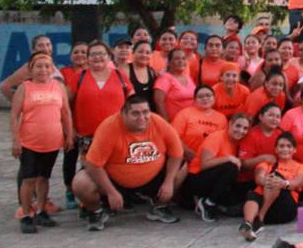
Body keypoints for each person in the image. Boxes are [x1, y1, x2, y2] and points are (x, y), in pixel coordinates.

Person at [71, 95, 184, 230]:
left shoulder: (159, 122)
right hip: (115, 180)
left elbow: (177, 153)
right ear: (123, 114)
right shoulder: (109, 127)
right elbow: (92, 164)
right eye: (135, 113)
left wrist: (169, 182)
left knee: (183, 167)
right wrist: (111, 191)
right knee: (81, 182)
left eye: (145, 112)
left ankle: (160, 206)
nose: (142, 117)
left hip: (152, 177)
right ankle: (96, 211)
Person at [65, 41, 132, 210]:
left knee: (114, 169)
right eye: (93, 54)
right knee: (91, 171)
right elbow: (65, 105)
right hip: (88, 137)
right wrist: (70, 129)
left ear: (109, 56)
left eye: (101, 53)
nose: (97, 57)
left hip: (117, 135)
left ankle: (112, 199)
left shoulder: (120, 76)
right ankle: (89, 203)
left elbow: (132, 102)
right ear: (87, 58)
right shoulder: (79, 77)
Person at [10, 53, 73, 232]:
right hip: (29, 142)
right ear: (31, 69)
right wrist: (16, 140)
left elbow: (66, 113)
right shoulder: (25, 87)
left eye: (47, 66)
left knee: (44, 177)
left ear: (52, 69)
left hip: (52, 142)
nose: (43, 70)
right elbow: (14, 115)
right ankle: (26, 215)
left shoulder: (58, 87)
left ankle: (41, 211)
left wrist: (69, 135)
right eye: (39, 66)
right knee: (29, 178)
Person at [239, 131, 303, 239]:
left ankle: (260, 217)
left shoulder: (301, 167)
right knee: (253, 193)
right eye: (281, 146)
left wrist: (283, 183)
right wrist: (267, 181)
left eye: (289, 146)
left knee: (276, 178)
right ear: (276, 149)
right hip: (266, 207)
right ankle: (248, 223)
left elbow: (298, 182)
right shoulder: (266, 164)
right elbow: (259, 178)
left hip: (284, 209)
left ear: (294, 150)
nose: (285, 149)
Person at [185, 113, 248, 222]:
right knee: (231, 167)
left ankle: (212, 202)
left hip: (215, 179)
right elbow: (204, 164)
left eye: (245, 128)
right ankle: (208, 203)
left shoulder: (236, 142)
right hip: (197, 178)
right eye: (238, 126)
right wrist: (228, 158)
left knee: (239, 199)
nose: (241, 130)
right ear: (230, 124)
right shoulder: (216, 137)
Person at [171, 85, 228, 163]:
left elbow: (223, 142)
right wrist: (191, 154)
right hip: (187, 158)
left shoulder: (222, 118)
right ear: (194, 100)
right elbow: (174, 138)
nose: (205, 98)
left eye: (208, 95)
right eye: (200, 96)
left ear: (214, 98)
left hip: (211, 160)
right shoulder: (184, 114)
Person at [153, 48, 196, 121]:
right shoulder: (165, 78)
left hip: (191, 121)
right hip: (174, 122)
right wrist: (166, 122)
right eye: (177, 59)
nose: (181, 61)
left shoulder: (188, 78)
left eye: (183, 58)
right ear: (169, 62)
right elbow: (158, 102)